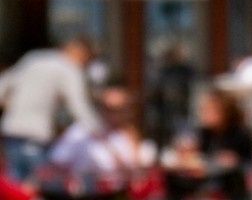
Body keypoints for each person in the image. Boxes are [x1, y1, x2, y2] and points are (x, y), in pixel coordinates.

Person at [0, 38, 99, 182]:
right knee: (41, 187)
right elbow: (79, 106)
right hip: (35, 136)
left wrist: (11, 106)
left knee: (15, 188)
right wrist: (100, 131)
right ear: (80, 53)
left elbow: (3, 86)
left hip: (11, 132)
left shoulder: (34, 57)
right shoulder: (69, 68)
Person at [47, 87, 152, 183]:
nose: (115, 114)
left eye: (120, 109)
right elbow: (57, 162)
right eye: (109, 109)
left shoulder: (131, 135)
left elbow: (140, 171)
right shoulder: (81, 132)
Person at [170, 88, 252, 169]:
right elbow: (198, 156)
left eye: (210, 111)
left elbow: (247, 164)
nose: (204, 115)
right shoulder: (205, 133)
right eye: (204, 110)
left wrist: (234, 160)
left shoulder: (240, 135)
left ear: (225, 113)